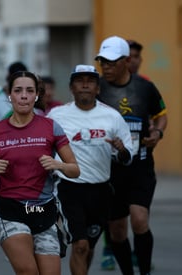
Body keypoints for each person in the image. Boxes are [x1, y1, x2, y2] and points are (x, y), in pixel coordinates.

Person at [0, 70, 80, 275]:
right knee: (28, 271)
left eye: (29, 91)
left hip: (43, 211)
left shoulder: (51, 127)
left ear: (36, 95)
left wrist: (58, 165)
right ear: (10, 96)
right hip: (11, 211)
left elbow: (75, 170)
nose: (24, 95)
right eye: (18, 90)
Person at [47, 65, 133, 275]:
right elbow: (42, 147)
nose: (85, 84)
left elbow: (127, 157)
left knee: (89, 247)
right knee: (80, 245)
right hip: (68, 188)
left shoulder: (112, 117)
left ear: (98, 88)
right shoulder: (56, 115)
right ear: (71, 87)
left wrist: (121, 150)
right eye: (79, 80)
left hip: (100, 190)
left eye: (91, 81)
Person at [95, 35, 168, 275]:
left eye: (111, 62)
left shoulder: (145, 87)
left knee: (139, 219)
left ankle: (144, 270)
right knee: (116, 230)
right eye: (102, 62)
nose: (106, 67)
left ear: (126, 61)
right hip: (110, 170)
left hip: (140, 167)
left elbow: (162, 115)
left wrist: (157, 133)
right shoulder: (96, 89)